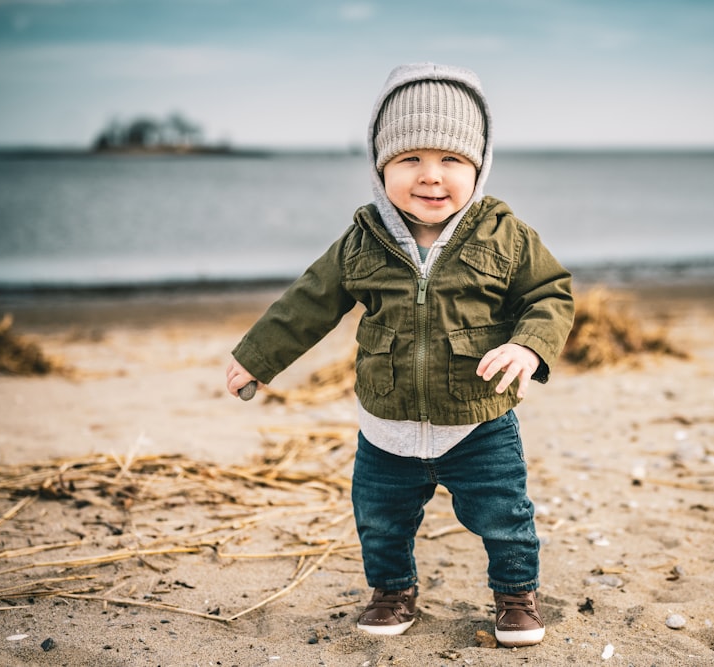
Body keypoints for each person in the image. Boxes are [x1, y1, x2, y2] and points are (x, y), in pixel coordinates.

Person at [225, 62, 574, 647]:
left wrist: (527, 346)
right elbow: (310, 301)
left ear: (479, 166)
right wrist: (257, 356)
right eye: (410, 159)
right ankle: (392, 593)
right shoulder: (364, 239)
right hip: (385, 422)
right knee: (381, 520)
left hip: (480, 419)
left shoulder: (504, 234)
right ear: (380, 166)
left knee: (506, 517)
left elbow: (550, 294)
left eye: (451, 161)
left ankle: (516, 597)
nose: (431, 176)